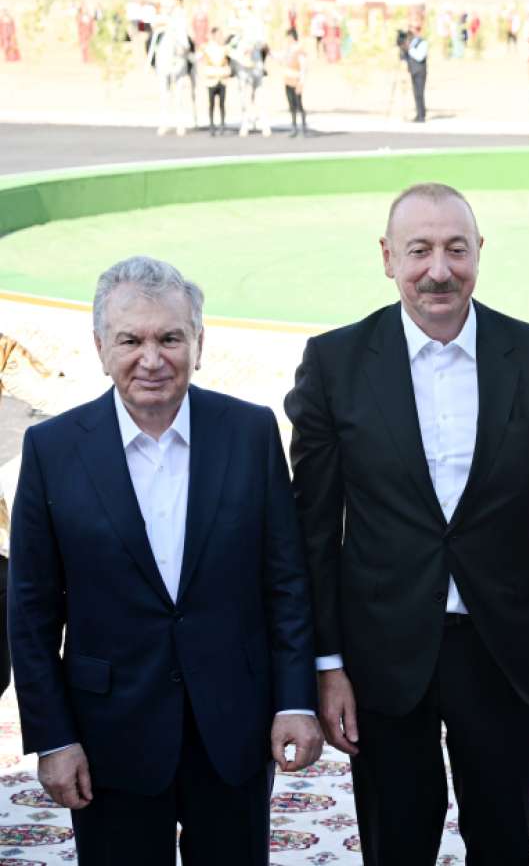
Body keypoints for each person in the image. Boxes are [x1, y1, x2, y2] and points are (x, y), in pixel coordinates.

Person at [285, 183, 529, 865]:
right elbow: (312, 534)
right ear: (387, 258)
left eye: (455, 250)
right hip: (382, 657)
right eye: (419, 251)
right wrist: (327, 666)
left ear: (479, 253)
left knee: (504, 844)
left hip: (500, 650)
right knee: (395, 847)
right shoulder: (334, 364)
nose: (438, 271)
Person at [8, 256, 322, 866]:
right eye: (131, 340)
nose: (151, 359)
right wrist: (53, 739)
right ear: (100, 347)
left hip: (232, 729)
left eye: (170, 338)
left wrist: (294, 701)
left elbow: (285, 582)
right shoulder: (51, 449)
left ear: (199, 344)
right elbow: (31, 612)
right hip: (108, 737)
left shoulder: (250, 433)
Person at [200, 26, 231, 136]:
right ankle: (212, 126)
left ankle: (222, 124)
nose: (220, 37)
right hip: (211, 80)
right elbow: (198, 58)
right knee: (211, 104)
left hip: (222, 79)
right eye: (218, 34)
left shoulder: (225, 48)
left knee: (222, 104)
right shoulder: (206, 48)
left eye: (221, 35)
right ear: (213, 36)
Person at [281, 27, 308, 137]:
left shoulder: (299, 49)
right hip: (288, 79)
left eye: (289, 37)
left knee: (298, 104)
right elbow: (281, 58)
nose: (288, 39)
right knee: (291, 105)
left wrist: (301, 82)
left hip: (296, 80)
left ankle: (303, 125)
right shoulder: (288, 49)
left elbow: (303, 68)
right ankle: (294, 126)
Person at [400, 23, 428, 122]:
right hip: (413, 70)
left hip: (420, 71)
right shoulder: (410, 42)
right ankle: (419, 114)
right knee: (416, 93)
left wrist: (410, 49)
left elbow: (420, 56)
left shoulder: (422, 42)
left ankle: (421, 115)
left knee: (420, 93)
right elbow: (405, 56)